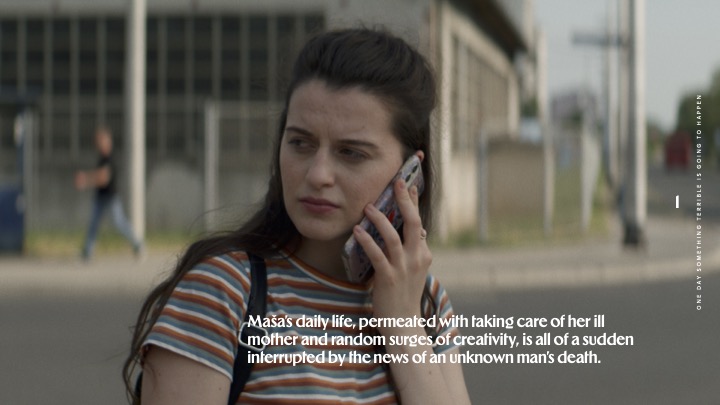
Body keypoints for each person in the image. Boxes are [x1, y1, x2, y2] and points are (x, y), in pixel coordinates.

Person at [123, 28, 471, 404]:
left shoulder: (424, 300)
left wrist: (403, 327)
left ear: (408, 172)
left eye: (351, 152)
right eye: (301, 143)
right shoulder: (221, 293)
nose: (317, 174)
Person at [75, 126, 143, 260]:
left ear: (107, 141)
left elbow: (104, 178)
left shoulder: (110, 158)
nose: (98, 144)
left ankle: (137, 244)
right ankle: (87, 250)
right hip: (100, 197)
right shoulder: (102, 158)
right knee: (93, 224)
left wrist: (86, 179)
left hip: (111, 197)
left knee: (119, 222)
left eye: (101, 140)